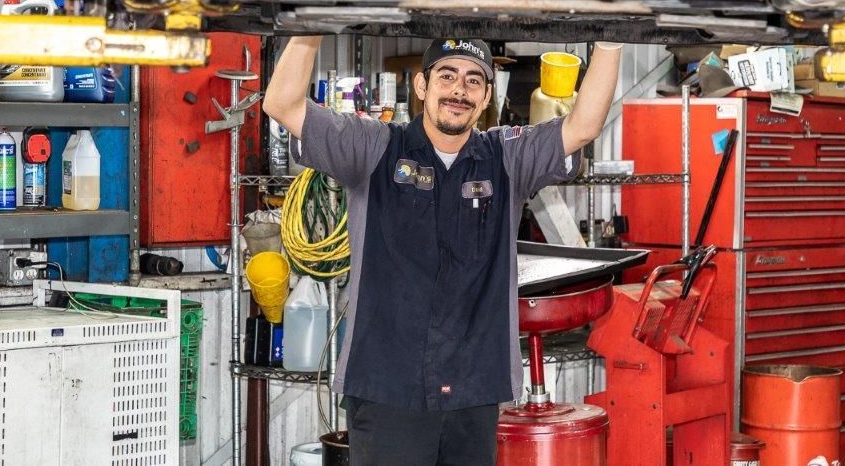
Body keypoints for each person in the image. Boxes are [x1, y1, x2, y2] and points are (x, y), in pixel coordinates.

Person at [263, 37, 622, 466]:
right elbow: (282, 105)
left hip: (474, 386)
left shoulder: (506, 156)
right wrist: (307, 33)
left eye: (473, 81)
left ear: (486, 96)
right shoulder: (374, 147)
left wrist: (611, 42)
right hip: (388, 386)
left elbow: (582, 126)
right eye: (447, 76)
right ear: (421, 86)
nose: (459, 90)